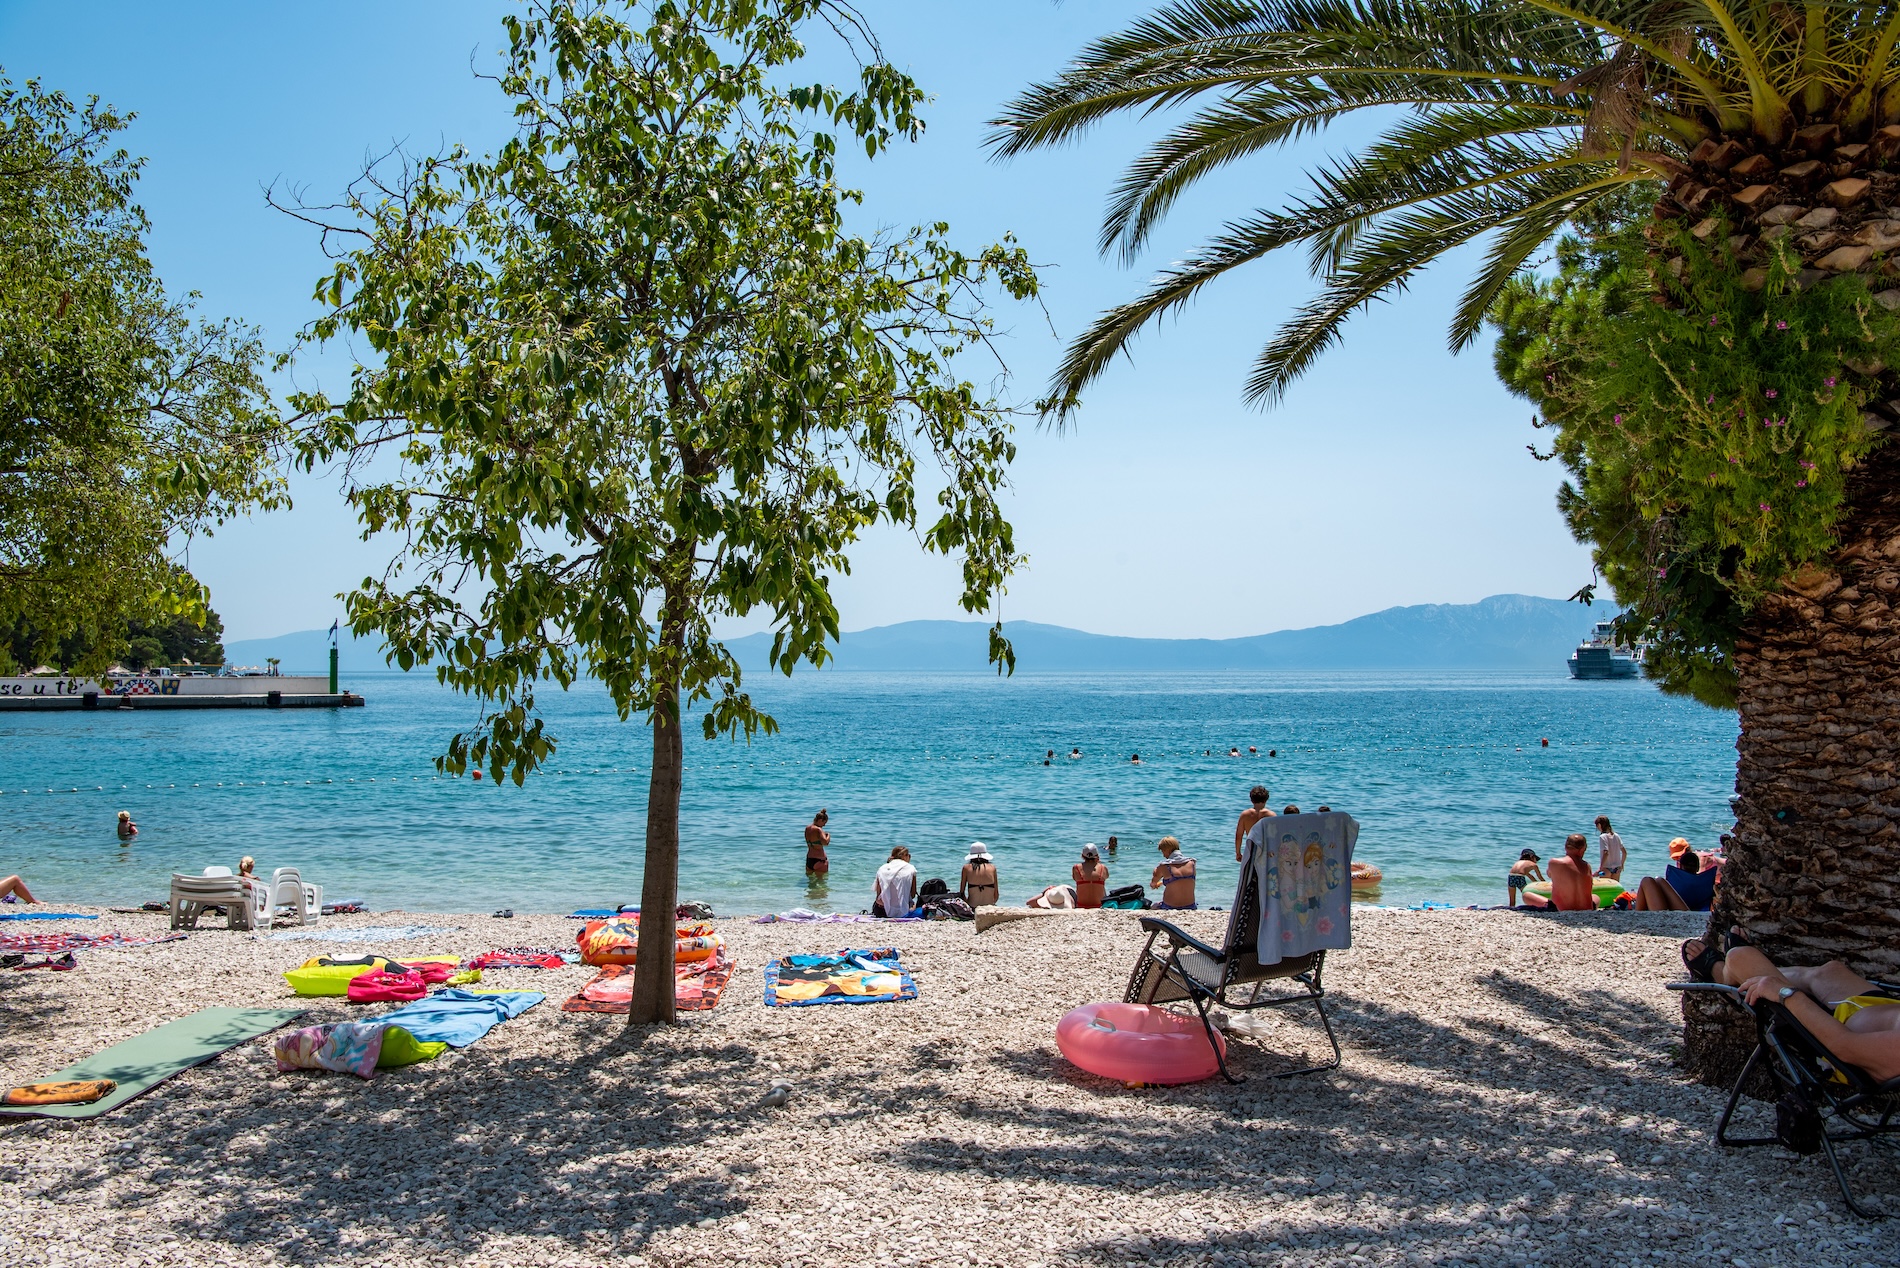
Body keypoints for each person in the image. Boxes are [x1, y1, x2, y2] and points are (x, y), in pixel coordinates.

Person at [1683, 934, 1900, 1082]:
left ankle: (1725, 974)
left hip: (1829, 1036)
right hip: (1878, 1010)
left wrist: (1786, 994)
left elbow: (1842, 1045)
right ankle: (1751, 972)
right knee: (1830, 971)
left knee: (1740, 957)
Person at [1633, 850, 1716, 911]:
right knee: (1657, 880)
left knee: (1650, 880)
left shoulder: (1676, 879)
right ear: (1697, 867)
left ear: (1681, 866)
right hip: (1690, 912)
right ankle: (1638, 915)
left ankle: (1638, 915)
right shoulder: (1705, 881)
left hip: (1685, 913)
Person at [1544, 834, 1597, 910]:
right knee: (1596, 897)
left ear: (1565, 847)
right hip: (1586, 909)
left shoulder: (1554, 862)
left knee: (1527, 895)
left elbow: (1549, 874)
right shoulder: (1587, 866)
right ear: (1583, 849)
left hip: (1560, 909)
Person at [1149, 836, 1196, 910]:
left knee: (1153, 907)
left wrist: (1156, 882)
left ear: (1167, 850)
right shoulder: (1192, 863)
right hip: (1191, 906)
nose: (1163, 855)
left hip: (1170, 907)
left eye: (1163, 851)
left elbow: (1152, 885)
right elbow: (1181, 880)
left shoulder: (1163, 866)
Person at [873, 847, 917, 918]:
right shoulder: (911, 868)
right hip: (903, 911)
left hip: (881, 911)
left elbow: (879, 895)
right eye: (909, 855)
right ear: (904, 856)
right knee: (915, 906)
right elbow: (912, 894)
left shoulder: (882, 868)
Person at [1234, 785, 1274, 862]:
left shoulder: (1245, 815)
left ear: (1251, 800)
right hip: (1267, 850)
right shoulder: (1271, 815)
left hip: (1251, 849)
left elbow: (1239, 836)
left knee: (1250, 873)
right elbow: (1276, 836)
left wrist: (1238, 853)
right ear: (1266, 799)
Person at [1072, 845, 1108, 909]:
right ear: (1097, 855)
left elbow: (1075, 878)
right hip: (1099, 905)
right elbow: (1106, 876)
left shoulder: (1076, 868)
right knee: (1101, 885)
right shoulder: (1103, 868)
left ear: (1082, 856)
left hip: (1081, 905)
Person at [1595, 815, 1626, 881]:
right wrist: (1621, 865)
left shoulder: (1602, 837)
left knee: (1604, 890)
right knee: (1615, 890)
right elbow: (1624, 852)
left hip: (1606, 869)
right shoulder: (1616, 835)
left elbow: (1606, 853)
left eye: (1597, 825)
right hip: (1617, 869)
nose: (1597, 828)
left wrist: (1600, 868)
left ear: (1600, 825)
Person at [804, 810, 830, 875]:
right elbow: (825, 843)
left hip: (809, 859)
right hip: (819, 860)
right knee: (822, 883)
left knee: (810, 883)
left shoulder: (807, 828)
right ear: (820, 820)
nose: (824, 825)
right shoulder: (818, 830)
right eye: (824, 823)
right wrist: (828, 835)